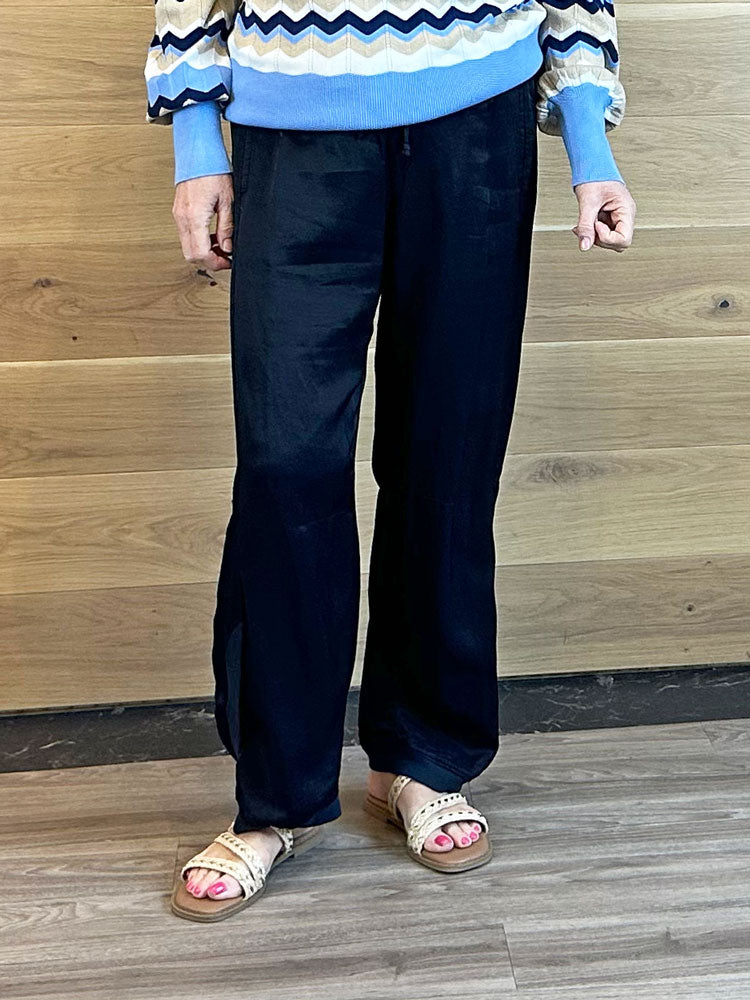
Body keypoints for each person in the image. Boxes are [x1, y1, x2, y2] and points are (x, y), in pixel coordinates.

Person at [144, 0, 636, 922]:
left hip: (476, 125)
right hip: (293, 131)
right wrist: (197, 143)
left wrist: (588, 141)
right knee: (285, 469)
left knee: (448, 458)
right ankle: (276, 797)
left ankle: (424, 758)